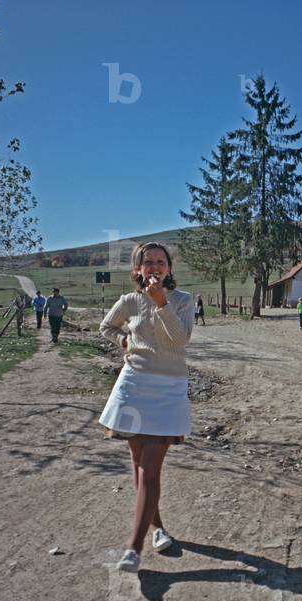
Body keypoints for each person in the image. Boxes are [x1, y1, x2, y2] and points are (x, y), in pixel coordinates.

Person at [98, 242, 195, 573]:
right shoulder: (129, 301)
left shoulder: (183, 300)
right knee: (139, 464)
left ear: (169, 268)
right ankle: (157, 528)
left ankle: (133, 548)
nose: (155, 266)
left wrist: (161, 303)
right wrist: (124, 340)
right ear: (138, 270)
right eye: (148, 262)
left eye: (161, 261)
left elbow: (179, 341)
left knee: (149, 467)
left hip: (168, 390)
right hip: (134, 385)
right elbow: (106, 327)